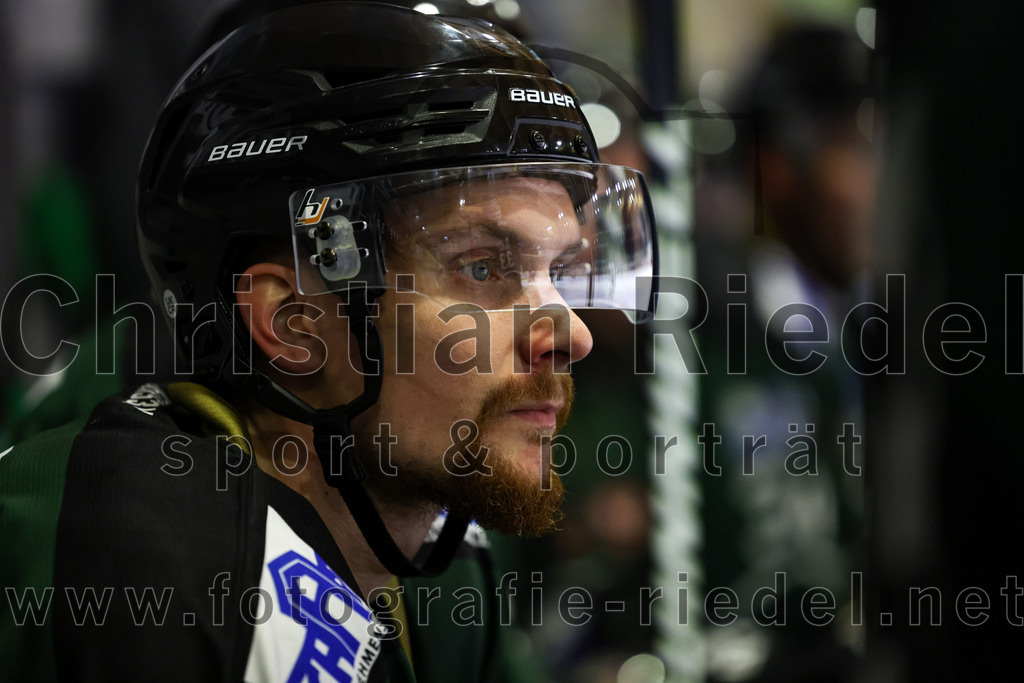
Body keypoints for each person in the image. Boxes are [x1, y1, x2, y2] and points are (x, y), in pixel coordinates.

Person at [0, 2, 658, 680]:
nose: (571, 335)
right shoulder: (135, 543)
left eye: (557, 269)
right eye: (482, 267)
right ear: (292, 320)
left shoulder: (440, 545)